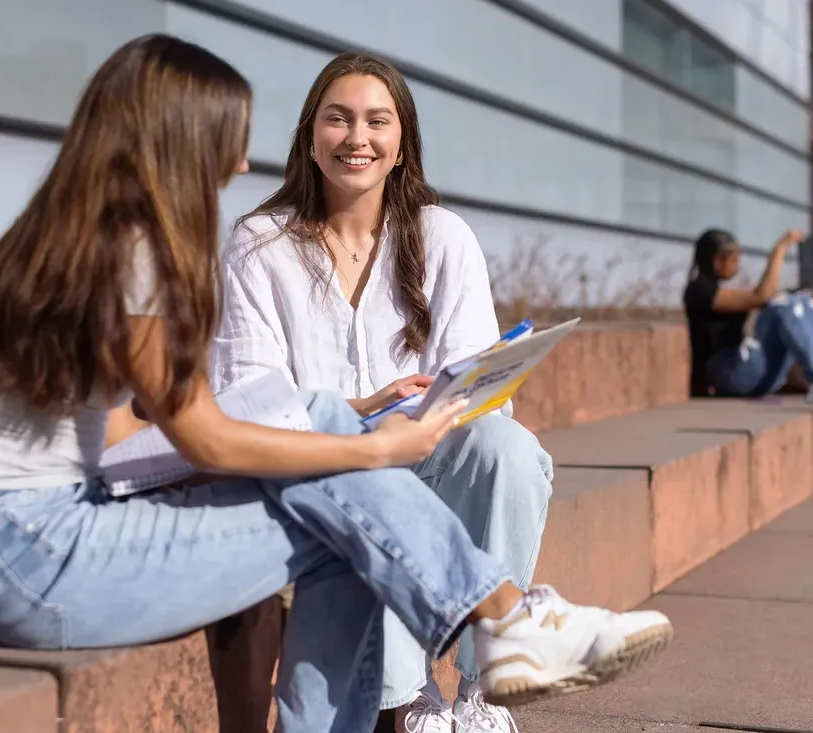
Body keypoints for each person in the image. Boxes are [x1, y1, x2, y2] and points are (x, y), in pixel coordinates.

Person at [0, 35, 673, 733]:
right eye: (228, 137)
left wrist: (344, 419)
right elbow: (205, 435)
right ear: (178, 138)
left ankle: (500, 624)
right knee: (331, 501)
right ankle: (503, 617)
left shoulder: (78, 235)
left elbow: (126, 430)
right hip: (30, 555)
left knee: (325, 444)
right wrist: (370, 450)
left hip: (21, 536)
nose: (241, 163)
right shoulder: (131, 249)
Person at [210, 51, 555, 733]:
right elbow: (248, 395)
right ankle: (408, 699)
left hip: (431, 446)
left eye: (376, 121)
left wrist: (424, 414)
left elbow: (483, 391)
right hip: (317, 469)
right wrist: (363, 421)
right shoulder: (258, 245)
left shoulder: (441, 235)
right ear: (310, 136)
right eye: (337, 119)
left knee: (508, 447)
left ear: (402, 144)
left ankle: (485, 694)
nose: (356, 138)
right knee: (369, 476)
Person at [683, 228, 813, 408]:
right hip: (729, 374)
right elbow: (763, 295)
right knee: (785, 305)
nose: (738, 265)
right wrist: (780, 249)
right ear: (717, 261)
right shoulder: (699, 291)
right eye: (734, 260)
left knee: (803, 301)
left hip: (744, 371)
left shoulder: (714, 290)